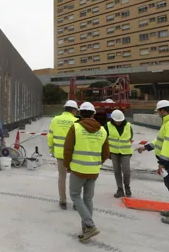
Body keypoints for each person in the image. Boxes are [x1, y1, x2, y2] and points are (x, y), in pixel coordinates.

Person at [63, 102, 110, 242]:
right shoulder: (102, 130)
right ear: (93, 114)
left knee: (75, 195)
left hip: (78, 169)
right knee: (88, 198)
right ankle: (86, 228)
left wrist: (68, 165)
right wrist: (96, 163)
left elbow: (68, 149)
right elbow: (106, 153)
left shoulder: (76, 127)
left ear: (80, 113)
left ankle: (89, 225)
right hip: (94, 170)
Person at [137, 100, 169, 225]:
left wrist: (162, 162)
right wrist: (147, 147)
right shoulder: (168, 123)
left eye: (158, 111)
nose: (157, 113)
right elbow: (160, 141)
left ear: (163, 111)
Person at [48, 100, 80, 210]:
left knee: (62, 177)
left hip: (60, 154)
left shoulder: (55, 120)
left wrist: (52, 149)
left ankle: (63, 201)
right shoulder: (77, 121)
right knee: (76, 178)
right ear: (73, 110)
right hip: (74, 155)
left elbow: (50, 137)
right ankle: (76, 202)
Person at [105, 109, 133, 198]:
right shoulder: (108, 126)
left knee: (126, 171)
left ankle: (127, 187)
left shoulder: (128, 125)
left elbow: (131, 136)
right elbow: (105, 139)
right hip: (114, 152)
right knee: (117, 171)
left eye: (120, 121)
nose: (118, 123)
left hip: (126, 152)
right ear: (112, 119)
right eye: (117, 121)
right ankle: (120, 189)